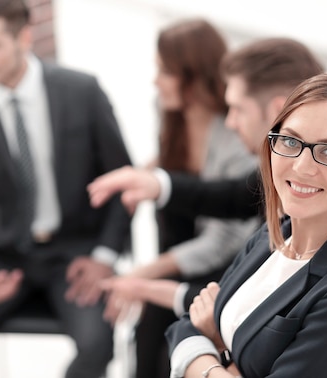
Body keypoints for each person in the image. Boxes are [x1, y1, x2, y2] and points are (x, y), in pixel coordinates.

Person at [0, 1, 132, 377]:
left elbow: (124, 182)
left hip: (75, 254)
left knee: (96, 345)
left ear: (24, 37)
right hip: (3, 256)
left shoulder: (82, 91)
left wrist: (105, 255)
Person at [166, 72, 327, 378]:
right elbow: (186, 326)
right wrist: (222, 354)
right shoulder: (274, 235)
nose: (302, 167)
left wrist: (208, 358)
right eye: (291, 141)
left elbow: (197, 334)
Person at [100, 36, 324, 333]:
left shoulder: (318, 197)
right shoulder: (285, 171)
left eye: (238, 109)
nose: (230, 123)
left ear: (276, 110)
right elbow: (231, 196)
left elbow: (248, 301)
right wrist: (157, 184)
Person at [102, 19, 259, 378]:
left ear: (195, 77)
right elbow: (173, 164)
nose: (155, 81)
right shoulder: (166, 109)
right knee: (143, 341)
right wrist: (145, 178)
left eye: (165, 71)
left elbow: (222, 240)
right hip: (174, 247)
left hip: (212, 267)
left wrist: (145, 275)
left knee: (170, 355)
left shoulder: (234, 141)